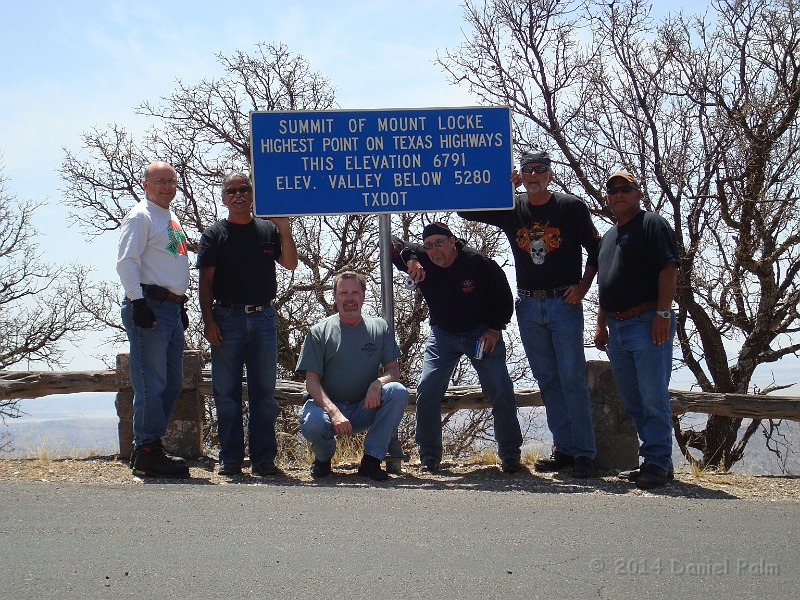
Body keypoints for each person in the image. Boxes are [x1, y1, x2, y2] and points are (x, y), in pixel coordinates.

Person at [458, 150, 600, 478]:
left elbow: (597, 249)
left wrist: (583, 286)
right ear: (521, 173)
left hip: (563, 302)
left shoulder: (570, 207)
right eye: (527, 169)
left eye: (539, 169)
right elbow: (464, 208)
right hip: (528, 303)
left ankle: (584, 454)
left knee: (572, 377)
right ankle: (563, 449)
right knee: (548, 379)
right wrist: (501, 187)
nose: (533, 175)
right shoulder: (513, 207)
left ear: (550, 173)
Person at [392, 222, 524, 473]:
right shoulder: (422, 258)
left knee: (499, 387)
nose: (433, 250)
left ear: (453, 241)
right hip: (443, 334)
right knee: (428, 388)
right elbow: (391, 239)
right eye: (428, 246)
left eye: (439, 243)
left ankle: (510, 455)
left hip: (481, 332)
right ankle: (429, 456)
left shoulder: (476, 262)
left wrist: (495, 328)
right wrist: (410, 259)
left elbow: (504, 297)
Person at [197, 172, 298, 477]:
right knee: (226, 393)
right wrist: (209, 321)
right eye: (232, 191)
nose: (238, 194)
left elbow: (291, 263)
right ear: (224, 198)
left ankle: (263, 458)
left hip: (265, 318)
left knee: (263, 392)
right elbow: (205, 283)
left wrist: (284, 229)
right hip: (227, 319)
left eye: (244, 189)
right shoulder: (215, 235)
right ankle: (230, 459)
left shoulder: (268, 230)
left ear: (252, 195)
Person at [594, 171, 680, 489]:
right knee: (632, 400)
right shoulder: (608, 238)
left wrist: (662, 313)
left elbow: (668, 267)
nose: (619, 194)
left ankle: (658, 462)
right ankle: (655, 462)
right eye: (613, 190)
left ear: (637, 193)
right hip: (616, 328)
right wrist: (602, 325)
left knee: (653, 396)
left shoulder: (652, 224)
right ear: (607, 198)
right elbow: (605, 285)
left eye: (625, 189)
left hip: (647, 323)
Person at [296, 272, 409, 481]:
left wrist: (377, 383)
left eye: (355, 292)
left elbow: (394, 372)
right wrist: (334, 412)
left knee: (398, 392)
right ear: (335, 297)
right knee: (312, 422)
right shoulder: (318, 332)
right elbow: (311, 383)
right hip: (327, 410)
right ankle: (323, 459)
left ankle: (371, 460)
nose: (350, 298)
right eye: (344, 293)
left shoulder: (380, 328)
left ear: (363, 296)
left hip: (363, 407)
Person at [117, 161, 191, 478]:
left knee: (172, 381)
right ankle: (146, 448)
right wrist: (138, 303)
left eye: (171, 181)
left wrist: (178, 301)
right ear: (145, 184)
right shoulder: (140, 216)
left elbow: (171, 261)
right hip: (149, 305)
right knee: (151, 380)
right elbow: (126, 263)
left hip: (171, 309)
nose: (166, 186)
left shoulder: (171, 218)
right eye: (159, 181)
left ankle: (152, 446)